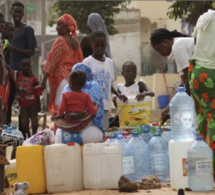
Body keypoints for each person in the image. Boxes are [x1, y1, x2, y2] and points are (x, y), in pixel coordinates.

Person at [188, 9, 215, 170]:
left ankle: (200, 166)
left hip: (197, 72)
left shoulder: (206, 16)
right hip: (211, 73)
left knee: (204, 120)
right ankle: (210, 168)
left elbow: (196, 44)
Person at [150, 28, 195, 124]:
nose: (160, 53)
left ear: (164, 42)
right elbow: (184, 84)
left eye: (159, 49)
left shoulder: (177, 46)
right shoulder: (178, 47)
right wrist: (170, 106)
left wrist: (174, 107)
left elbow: (189, 82)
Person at [41, 14, 83, 115]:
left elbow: (52, 62)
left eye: (59, 25)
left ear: (66, 27)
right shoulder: (76, 42)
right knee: (72, 108)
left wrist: (44, 80)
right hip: (74, 80)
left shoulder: (60, 41)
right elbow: (81, 61)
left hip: (62, 80)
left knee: (59, 110)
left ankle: (58, 130)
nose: (56, 28)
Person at [55, 63, 104, 145]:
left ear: (70, 83)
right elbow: (92, 111)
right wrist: (96, 107)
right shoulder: (87, 95)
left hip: (69, 122)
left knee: (58, 130)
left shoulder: (65, 93)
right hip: (82, 123)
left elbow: (61, 110)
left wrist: (59, 115)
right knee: (98, 133)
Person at [83, 30, 122, 130]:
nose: (100, 48)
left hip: (105, 105)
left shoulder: (109, 62)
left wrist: (118, 95)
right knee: (92, 131)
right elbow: (83, 85)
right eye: (97, 45)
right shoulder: (87, 62)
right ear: (91, 45)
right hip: (91, 106)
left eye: (102, 45)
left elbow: (109, 85)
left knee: (104, 131)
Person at [8, 1, 37, 125]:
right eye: (15, 11)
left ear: (23, 13)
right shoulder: (7, 29)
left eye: (20, 12)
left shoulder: (27, 30)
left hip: (24, 75)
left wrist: (16, 49)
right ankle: (7, 128)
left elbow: (31, 51)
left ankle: (23, 130)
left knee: (24, 103)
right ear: (11, 12)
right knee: (8, 102)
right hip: (10, 73)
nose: (17, 14)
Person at [10, 58, 42, 139]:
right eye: (24, 66)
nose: (26, 67)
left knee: (35, 123)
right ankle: (29, 135)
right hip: (23, 106)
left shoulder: (34, 79)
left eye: (27, 66)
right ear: (21, 67)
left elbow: (37, 93)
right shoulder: (17, 75)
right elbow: (8, 71)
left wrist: (39, 106)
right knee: (24, 124)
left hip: (33, 105)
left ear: (30, 67)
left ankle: (34, 136)